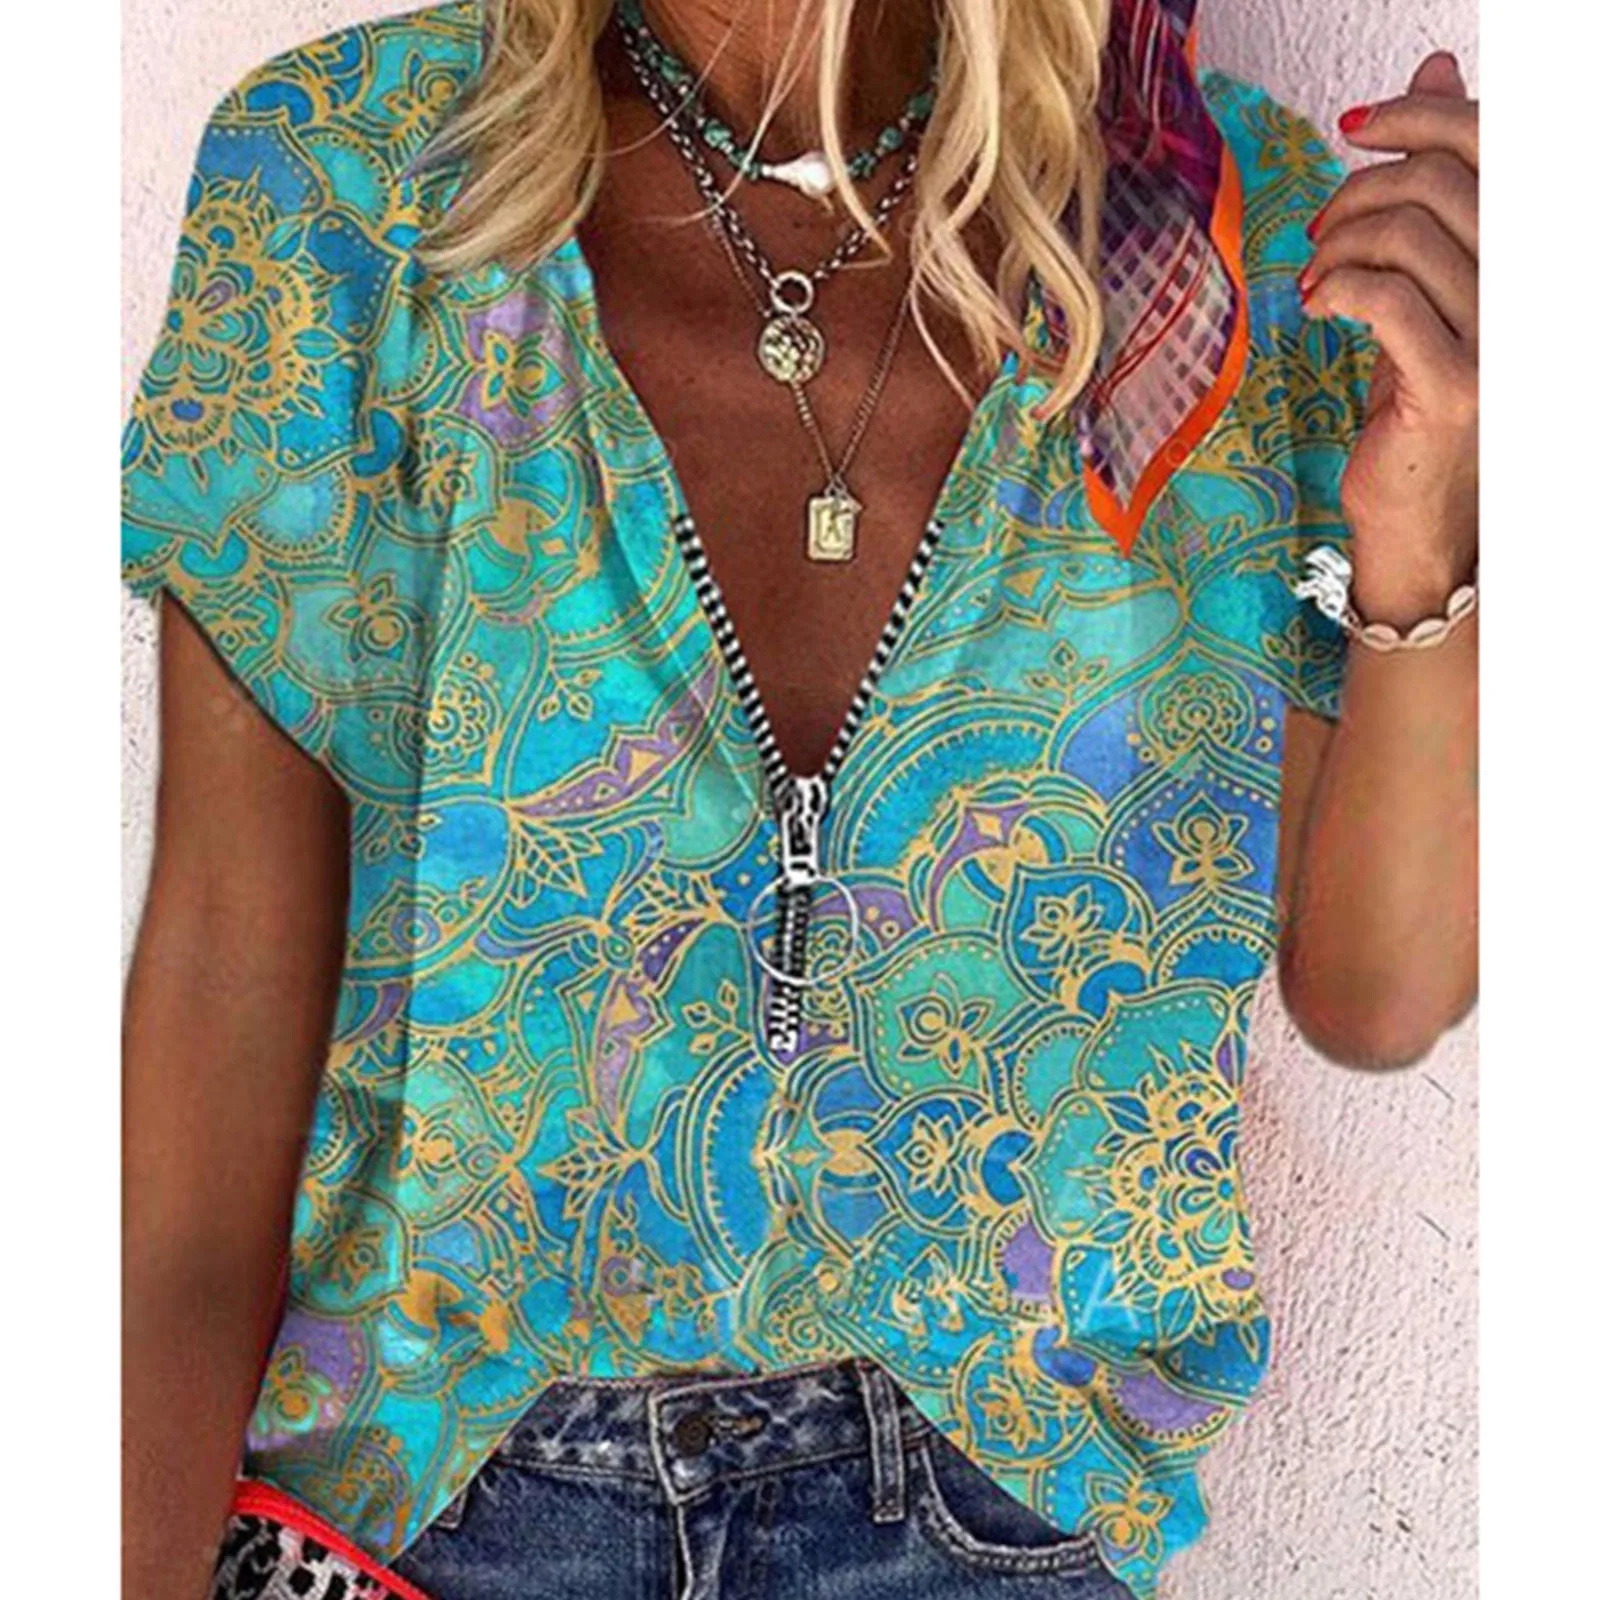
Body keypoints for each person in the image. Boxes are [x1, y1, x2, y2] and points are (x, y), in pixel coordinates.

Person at [120, 1, 1478, 1597]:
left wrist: (1432, 517)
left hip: (991, 1519)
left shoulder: (1231, 251)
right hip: (428, 1509)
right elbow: (217, 1003)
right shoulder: (351, 182)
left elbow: (1380, 995)